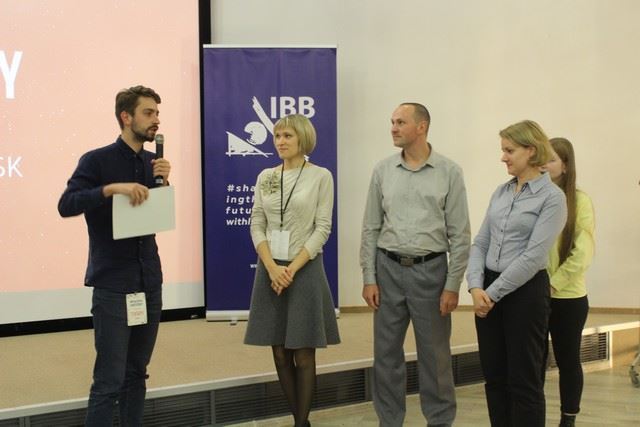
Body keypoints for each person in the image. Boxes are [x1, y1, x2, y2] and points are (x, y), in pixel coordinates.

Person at [58, 85, 171, 426]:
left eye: (157, 113)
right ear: (126, 117)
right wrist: (109, 189)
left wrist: (164, 184)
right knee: (109, 381)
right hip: (113, 285)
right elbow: (67, 204)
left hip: (148, 281)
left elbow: (153, 216)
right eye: (148, 113)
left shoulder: (153, 163)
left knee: (137, 373)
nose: (155, 120)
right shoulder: (97, 160)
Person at [360, 103, 471, 427]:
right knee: (386, 356)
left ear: (421, 127)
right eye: (392, 122)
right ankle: (389, 422)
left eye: (400, 122)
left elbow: (460, 234)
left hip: (431, 272)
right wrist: (369, 276)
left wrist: (453, 284)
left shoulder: (449, 172)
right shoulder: (382, 171)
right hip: (387, 269)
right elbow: (370, 228)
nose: (393, 128)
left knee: (435, 357)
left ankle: (440, 421)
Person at [466, 120, 567, 427]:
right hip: (487, 290)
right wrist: (475, 287)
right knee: (495, 378)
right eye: (503, 150)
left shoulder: (552, 198)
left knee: (525, 382)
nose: (503, 157)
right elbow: (481, 242)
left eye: (509, 151)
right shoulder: (501, 192)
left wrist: (491, 294)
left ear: (531, 150)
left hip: (525, 293)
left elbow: (533, 257)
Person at [244, 114, 340, 427]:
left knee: (303, 352)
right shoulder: (266, 176)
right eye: (277, 136)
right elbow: (257, 222)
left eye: (287, 136)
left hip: (305, 269)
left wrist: (292, 268)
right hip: (270, 270)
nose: (280, 142)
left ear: (303, 139)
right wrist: (272, 267)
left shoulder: (320, 176)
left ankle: (301, 423)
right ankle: (301, 420)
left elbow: (322, 228)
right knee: (280, 352)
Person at [542, 137, 595, 427]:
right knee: (533, 361)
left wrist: (553, 284)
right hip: (535, 295)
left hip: (568, 297)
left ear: (565, 165)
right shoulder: (534, 197)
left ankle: (568, 418)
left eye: (551, 159)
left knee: (568, 359)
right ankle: (532, 415)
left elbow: (583, 253)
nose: (544, 164)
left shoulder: (580, 201)